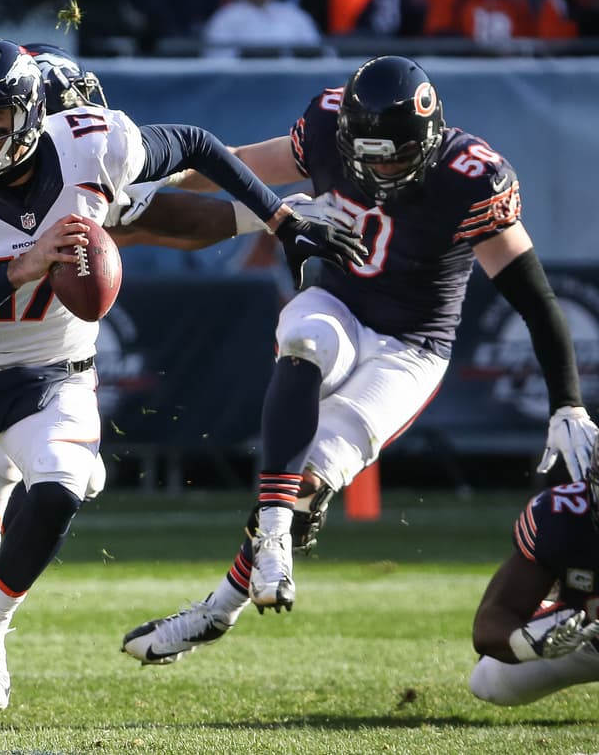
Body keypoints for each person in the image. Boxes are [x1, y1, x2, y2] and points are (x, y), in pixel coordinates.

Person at [0, 37, 366, 737]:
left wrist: (283, 216)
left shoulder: (94, 145)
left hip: (53, 373)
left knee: (61, 480)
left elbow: (195, 162)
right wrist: (21, 267)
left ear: (35, 113)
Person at [121, 54, 598, 668]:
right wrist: (154, 190)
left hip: (412, 346)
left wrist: (567, 400)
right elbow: (237, 165)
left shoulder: (471, 176)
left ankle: (218, 610)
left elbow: (535, 298)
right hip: (338, 304)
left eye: (395, 156)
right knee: (306, 339)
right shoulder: (325, 125)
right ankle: (269, 535)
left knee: (312, 479)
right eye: (366, 154)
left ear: (427, 139)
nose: (378, 169)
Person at [468, 456, 599, 706]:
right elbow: (491, 623)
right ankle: (551, 613)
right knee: (490, 683)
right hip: (586, 642)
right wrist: (528, 642)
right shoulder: (563, 516)